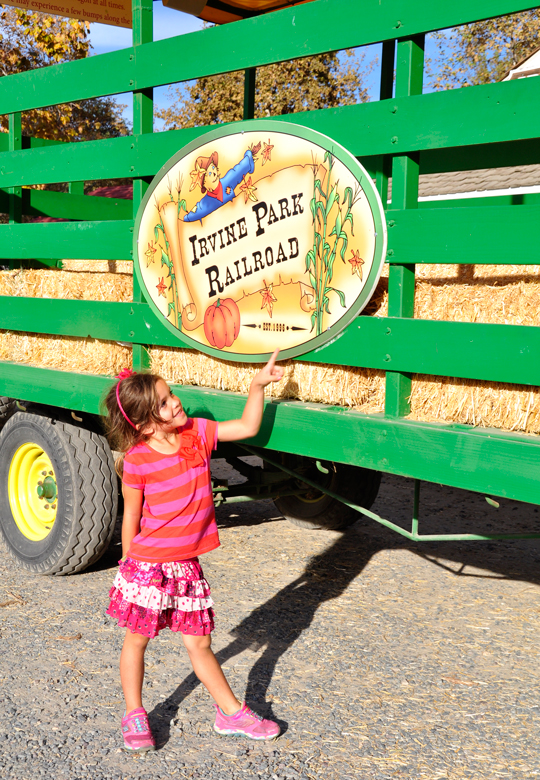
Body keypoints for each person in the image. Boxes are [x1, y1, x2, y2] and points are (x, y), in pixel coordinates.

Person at [103, 350, 284, 752]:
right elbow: (130, 518)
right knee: (136, 640)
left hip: (186, 566)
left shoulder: (197, 434)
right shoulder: (137, 462)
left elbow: (248, 425)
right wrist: (129, 567)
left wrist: (256, 386)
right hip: (148, 565)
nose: (176, 402)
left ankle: (230, 713)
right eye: (165, 402)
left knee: (198, 643)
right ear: (147, 422)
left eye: (172, 394)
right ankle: (135, 713)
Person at [183, 142, 261, 223]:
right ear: (203, 183)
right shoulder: (205, 204)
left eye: (213, 168)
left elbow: (238, 170)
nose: (213, 172)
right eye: (209, 173)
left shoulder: (227, 181)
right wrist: (186, 218)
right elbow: (194, 213)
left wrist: (248, 157)